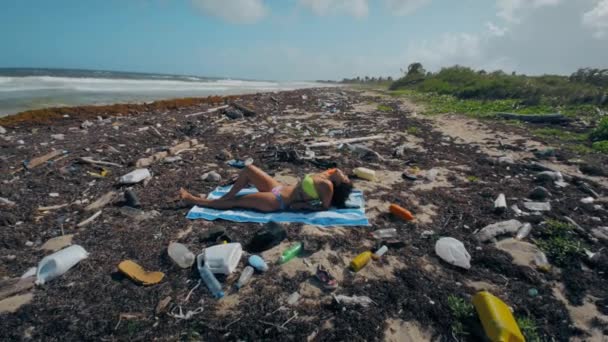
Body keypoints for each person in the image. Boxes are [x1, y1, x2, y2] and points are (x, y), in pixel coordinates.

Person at [179, 165, 353, 212]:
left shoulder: (327, 185)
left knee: (236, 202)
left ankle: (194, 200)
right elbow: (334, 169)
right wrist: (335, 172)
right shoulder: (326, 175)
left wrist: (302, 206)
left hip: (278, 201)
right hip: (278, 188)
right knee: (249, 169)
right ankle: (225, 197)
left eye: (345, 178)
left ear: (339, 184)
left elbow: (324, 207)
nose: (344, 173)